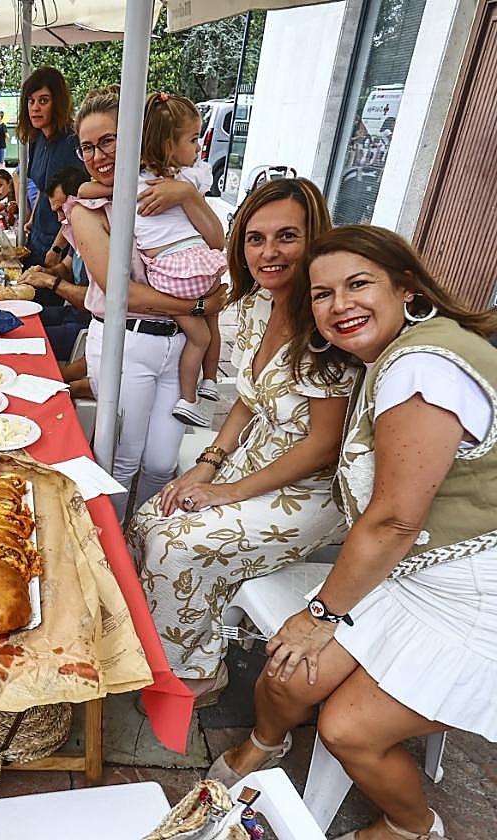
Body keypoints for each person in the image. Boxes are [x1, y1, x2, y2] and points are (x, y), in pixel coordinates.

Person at [208, 227, 497, 840]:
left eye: (358, 284)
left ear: (406, 286)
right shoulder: (393, 355)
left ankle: (413, 826)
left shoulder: (422, 367)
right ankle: (265, 744)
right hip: (408, 573)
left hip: (473, 595)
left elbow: (395, 520)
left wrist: (318, 615)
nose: (339, 305)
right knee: (288, 674)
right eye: (322, 294)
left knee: (346, 728)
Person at [127, 177, 356, 702]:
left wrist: (227, 492)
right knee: (151, 516)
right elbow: (248, 400)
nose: (269, 252)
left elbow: (323, 446)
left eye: (287, 237)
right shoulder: (255, 307)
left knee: (175, 546)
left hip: (310, 488)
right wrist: (207, 464)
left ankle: (199, 669)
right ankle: (186, 640)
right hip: (253, 458)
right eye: (256, 238)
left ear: (314, 239)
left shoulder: (326, 324)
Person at [24, 85, 229, 521]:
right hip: (126, 344)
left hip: (179, 346)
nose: (98, 156)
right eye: (86, 148)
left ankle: (143, 537)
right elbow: (121, 294)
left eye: (108, 141)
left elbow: (217, 242)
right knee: (122, 461)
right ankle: (113, 548)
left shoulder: (168, 189)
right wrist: (195, 307)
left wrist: (189, 196)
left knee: (160, 463)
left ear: (138, 135)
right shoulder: (87, 209)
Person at [127, 92, 227, 427]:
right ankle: (203, 386)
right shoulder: (187, 180)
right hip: (196, 268)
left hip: (171, 275)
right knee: (208, 328)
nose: (198, 148)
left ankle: (195, 394)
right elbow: (217, 237)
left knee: (201, 334)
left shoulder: (131, 183)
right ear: (170, 144)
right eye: (194, 139)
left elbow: (92, 190)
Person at [19, 66, 81, 297]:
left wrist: (58, 247)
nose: (35, 107)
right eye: (31, 101)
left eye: (43, 100)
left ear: (58, 102)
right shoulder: (37, 140)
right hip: (37, 237)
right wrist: (32, 218)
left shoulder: (71, 143)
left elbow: (76, 204)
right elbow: (45, 188)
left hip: (57, 243)